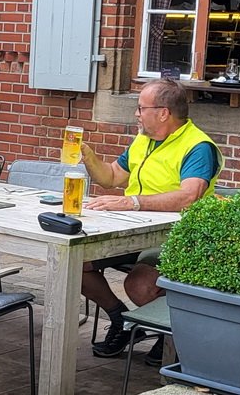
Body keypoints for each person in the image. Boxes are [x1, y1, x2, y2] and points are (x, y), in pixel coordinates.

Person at [81, 78, 222, 358]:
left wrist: (133, 202)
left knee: (140, 284)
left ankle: (169, 336)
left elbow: (189, 196)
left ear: (163, 113)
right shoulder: (143, 140)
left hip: (174, 237)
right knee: (76, 263)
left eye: (140, 108)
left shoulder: (198, 146)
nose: (136, 114)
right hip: (131, 230)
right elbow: (112, 177)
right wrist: (89, 157)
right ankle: (121, 320)